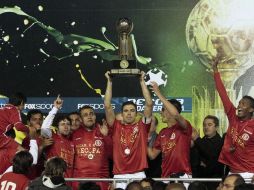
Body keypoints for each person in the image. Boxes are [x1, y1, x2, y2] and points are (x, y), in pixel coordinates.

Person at [104, 71, 153, 189]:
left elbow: (149, 104)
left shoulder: (142, 126)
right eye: (126, 111)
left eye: (132, 110)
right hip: (119, 175)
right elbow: (107, 105)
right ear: (122, 113)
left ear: (136, 113)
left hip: (138, 174)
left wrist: (142, 81)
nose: (129, 113)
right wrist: (109, 82)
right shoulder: (115, 126)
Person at [212, 59, 254, 178]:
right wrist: (215, 70)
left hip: (249, 174)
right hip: (232, 172)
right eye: (239, 103)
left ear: (251, 110)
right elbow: (222, 93)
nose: (239, 106)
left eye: (243, 104)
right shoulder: (232, 116)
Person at [147, 82, 193, 188]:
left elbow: (176, 114)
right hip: (165, 177)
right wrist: (144, 138)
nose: (160, 112)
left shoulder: (184, 127)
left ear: (170, 111)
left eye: (163, 109)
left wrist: (158, 93)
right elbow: (152, 155)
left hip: (182, 177)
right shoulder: (163, 132)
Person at [72, 105, 111, 190]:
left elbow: (111, 155)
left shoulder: (103, 130)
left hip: (101, 180)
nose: (89, 117)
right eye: (85, 115)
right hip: (79, 181)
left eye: (91, 114)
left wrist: (106, 136)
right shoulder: (74, 134)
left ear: (95, 116)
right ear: (81, 120)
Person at [0, 92, 37, 174]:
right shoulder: (14, 110)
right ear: (21, 103)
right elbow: (19, 126)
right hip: (1, 138)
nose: (23, 107)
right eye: (24, 105)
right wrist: (29, 129)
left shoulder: (3, 109)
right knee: (26, 156)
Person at [41, 97, 74, 180]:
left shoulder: (72, 142)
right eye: (63, 124)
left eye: (68, 124)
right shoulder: (52, 137)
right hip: (52, 181)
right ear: (57, 127)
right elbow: (44, 128)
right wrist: (55, 108)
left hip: (68, 181)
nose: (66, 127)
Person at [192, 115, 224, 190]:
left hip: (213, 182)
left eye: (209, 125)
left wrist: (197, 139)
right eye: (204, 125)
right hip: (198, 181)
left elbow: (211, 155)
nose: (206, 127)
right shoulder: (200, 141)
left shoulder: (220, 142)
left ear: (216, 127)